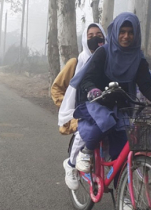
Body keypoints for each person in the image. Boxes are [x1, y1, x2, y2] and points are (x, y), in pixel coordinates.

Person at [67, 13, 151, 189]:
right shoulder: (103, 52)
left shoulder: (138, 58)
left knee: (120, 153)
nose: (126, 36)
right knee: (104, 122)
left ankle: (124, 198)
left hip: (122, 104)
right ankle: (86, 152)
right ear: (115, 32)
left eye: (130, 32)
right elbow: (87, 78)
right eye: (122, 31)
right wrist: (93, 90)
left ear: (136, 34)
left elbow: (146, 85)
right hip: (96, 101)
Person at [51, 23, 107, 190]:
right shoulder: (76, 62)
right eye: (90, 36)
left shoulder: (108, 61)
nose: (95, 39)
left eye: (99, 35)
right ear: (84, 39)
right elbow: (57, 88)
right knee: (85, 133)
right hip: (80, 113)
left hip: (101, 108)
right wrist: (68, 108)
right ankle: (71, 164)